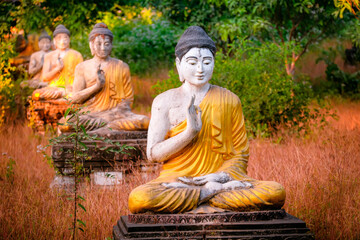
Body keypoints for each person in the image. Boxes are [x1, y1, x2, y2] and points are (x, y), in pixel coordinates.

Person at [128, 26, 286, 214]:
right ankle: (211, 195)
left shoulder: (229, 100)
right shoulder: (164, 101)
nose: (200, 69)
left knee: (275, 192)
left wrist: (218, 177)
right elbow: (153, 154)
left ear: (214, 63)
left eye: (207, 61)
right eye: (192, 62)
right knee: (139, 199)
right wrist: (189, 133)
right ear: (179, 64)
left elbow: (240, 155)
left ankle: (203, 195)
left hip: (220, 181)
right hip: (177, 181)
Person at [58, 23, 149, 132]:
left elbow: (128, 101)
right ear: (91, 45)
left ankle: (104, 128)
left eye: (107, 44)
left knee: (145, 121)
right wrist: (97, 87)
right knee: (66, 123)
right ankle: (109, 128)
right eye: (99, 44)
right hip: (90, 116)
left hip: (116, 115)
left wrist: (111, 114)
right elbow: (75, 99)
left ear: (111, 45)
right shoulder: (82, 67)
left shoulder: (121, 66)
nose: (103, 48)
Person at [32, 24, 83, 100]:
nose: (62, 41)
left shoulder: (76, 55)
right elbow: (44, 78)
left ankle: (63, 94)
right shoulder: (49, 56)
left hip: (70, 88)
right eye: (59, 38)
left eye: (65, 38)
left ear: (69, 40)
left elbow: (81, 77)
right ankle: (61, 94)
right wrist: (57, 68)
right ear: (54, 41)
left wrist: (68, 88)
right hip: (53, 88)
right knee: (36, 94)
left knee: (75, 95)